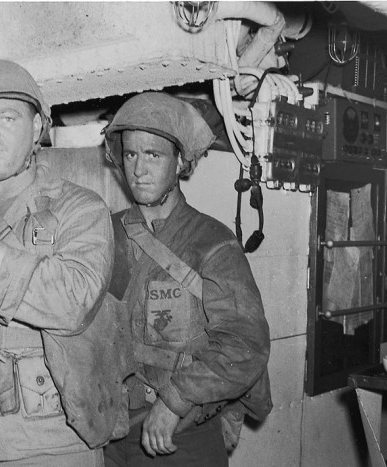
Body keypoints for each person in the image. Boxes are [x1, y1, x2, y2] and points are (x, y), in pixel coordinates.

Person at [0, 59, 114, 466]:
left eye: (7, 118)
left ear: (37, 128)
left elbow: (73, 303)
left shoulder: (79, 210)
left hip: (46, 439)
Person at [101, 92, 272, 467]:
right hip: (108, 437)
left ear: (180, 162)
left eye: (154, 155)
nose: (139, 170)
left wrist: (175, 400)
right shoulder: (102, 233)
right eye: (131, 154)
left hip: (181, 439)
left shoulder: (213, 242)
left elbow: (246, 345)